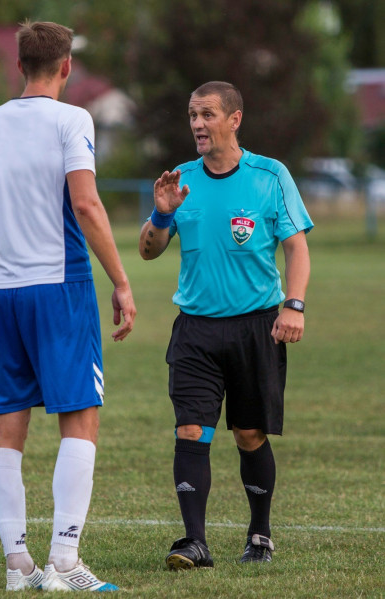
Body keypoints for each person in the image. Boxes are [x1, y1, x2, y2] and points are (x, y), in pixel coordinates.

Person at [0, 20, 136, 592]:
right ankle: (65, 563)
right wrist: (120, 280)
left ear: (19, 66)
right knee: (80, 418)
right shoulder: (73, 119)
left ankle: (17, 564)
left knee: (8, 423)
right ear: (66, 67)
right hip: (60, 286)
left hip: (3, 294)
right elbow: (86, 202)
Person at [138, 81, 312, 569]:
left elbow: (297, 247)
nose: (196, 123)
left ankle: (260, 534)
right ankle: (194, 542)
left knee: (249, 434)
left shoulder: (269, 175)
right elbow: (148, 251)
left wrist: (293, 305)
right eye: (192, 114)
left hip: (258, 327)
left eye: (207, 114)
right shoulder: (180, 182)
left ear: (234, 120)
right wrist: (160, 213)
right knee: (191, 430)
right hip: (195, 329)